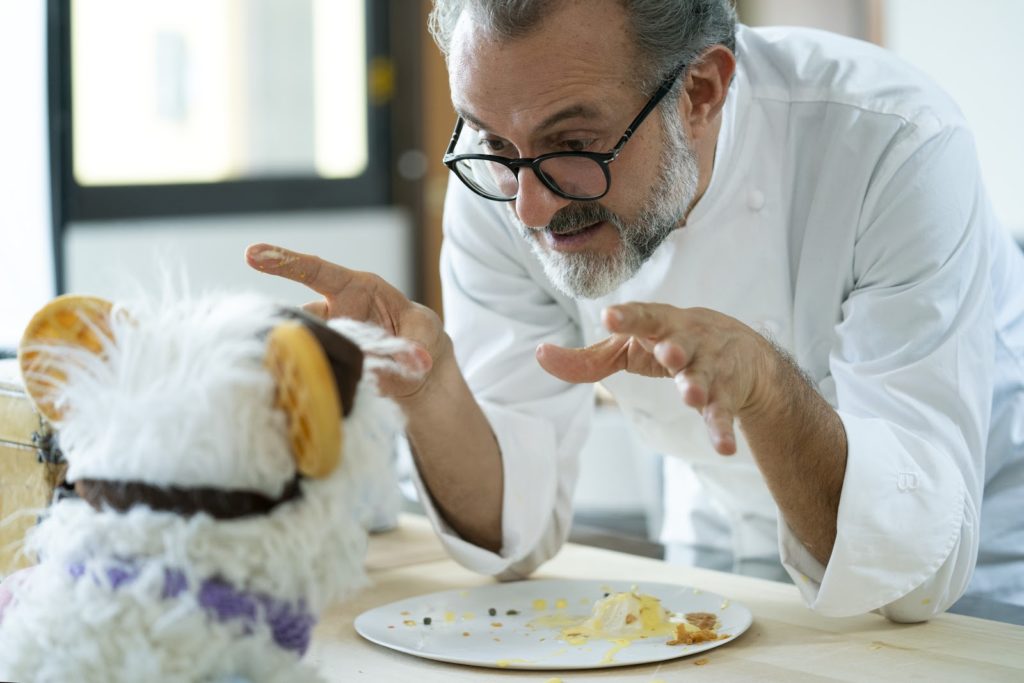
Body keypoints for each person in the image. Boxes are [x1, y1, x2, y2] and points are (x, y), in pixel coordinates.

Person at [247, 0, 1024, 622]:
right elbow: (509, 531)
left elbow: (916, 571)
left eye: (573, 143)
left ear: (702, 93)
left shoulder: (893, 143)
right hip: (713, 503)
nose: (528, 207)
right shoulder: (509, 173)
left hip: (980, 514)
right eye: (493, 143)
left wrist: (762, 384)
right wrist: (430, 387)